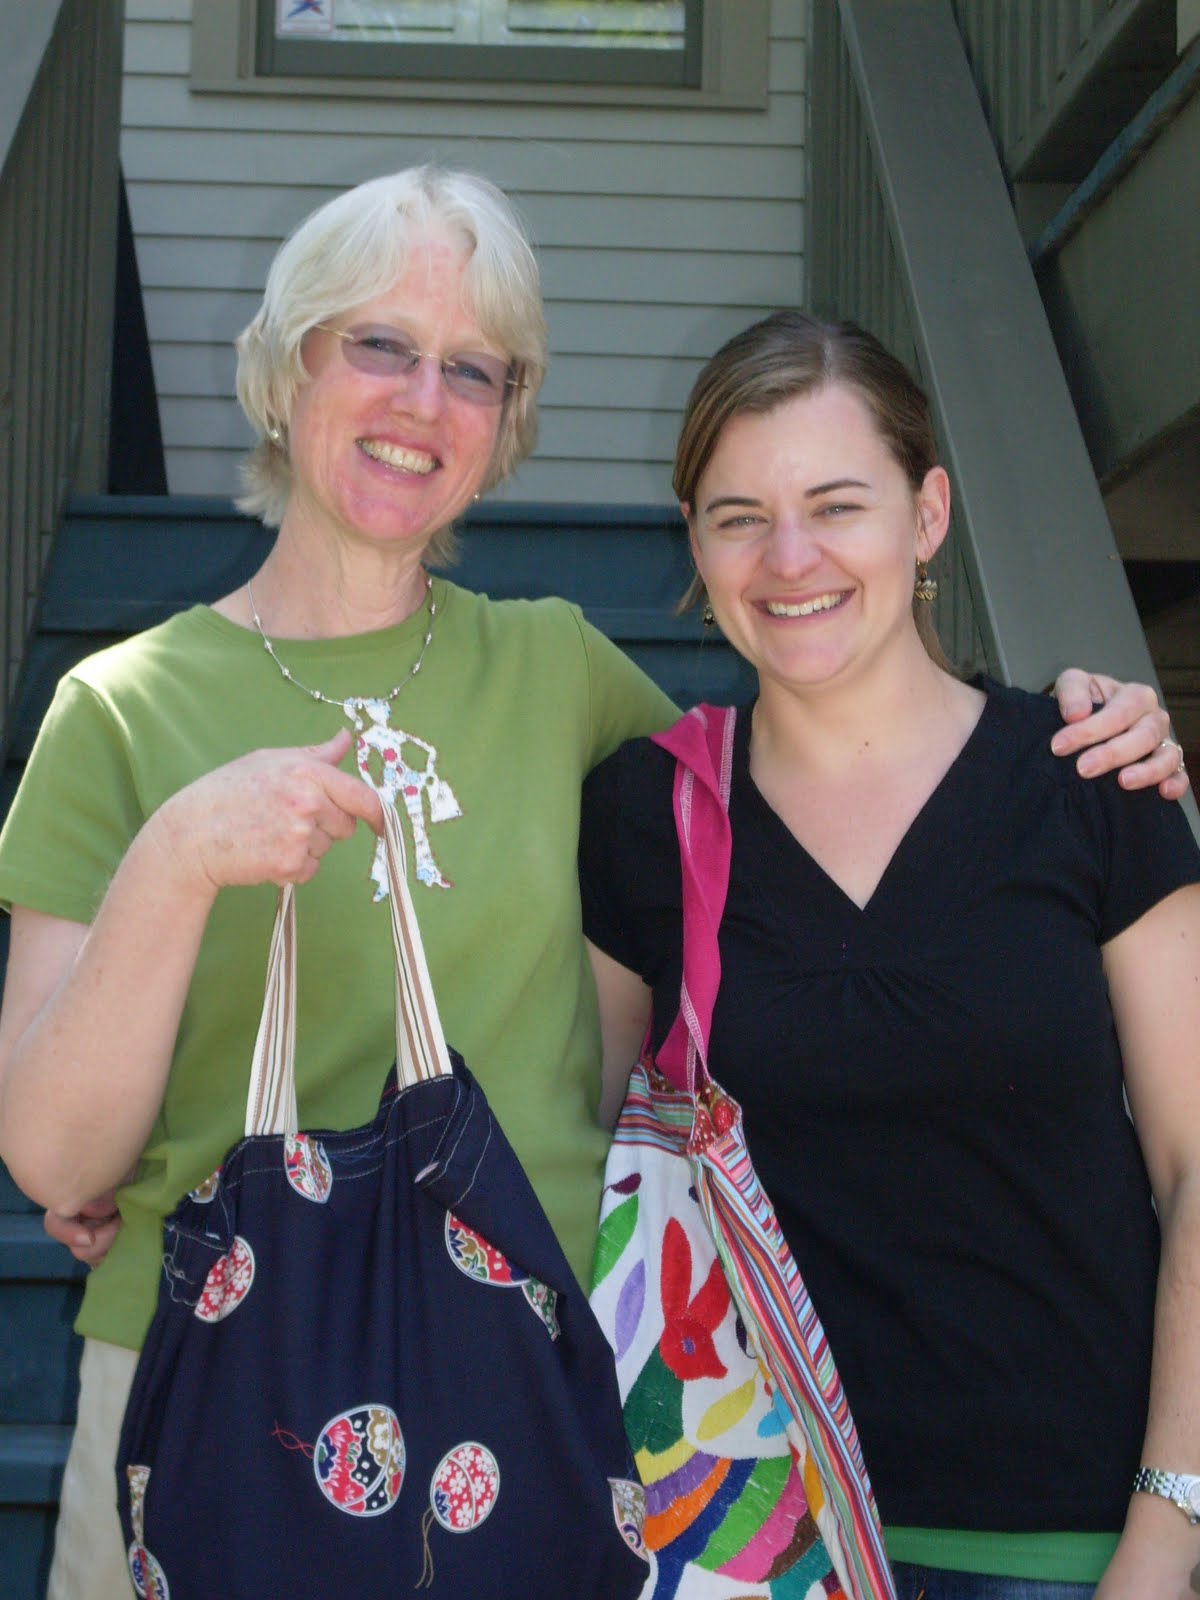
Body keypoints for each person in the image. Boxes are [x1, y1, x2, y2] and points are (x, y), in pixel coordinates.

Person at [0, 165, 1182, 1600]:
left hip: (528, 1388)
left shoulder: (565, 681)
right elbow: (57, 1163)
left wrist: (1090, 725)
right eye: (377, 344)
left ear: (506, 420)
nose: (420, 399)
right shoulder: (118, 710)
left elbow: (804, 771)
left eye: (472, 368)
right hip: (215, 1376)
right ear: (282, 366)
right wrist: (181, 863)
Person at [579, 311, 1200, 1600]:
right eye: (738, 513)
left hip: (1072, 1551)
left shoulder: (1090, 786)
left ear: (926, 517)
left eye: (836, 504)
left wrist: (1169, 1527)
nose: (789, 557)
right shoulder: (649, 819)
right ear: (694, 543)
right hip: (750, 1548)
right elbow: (581, 1165)